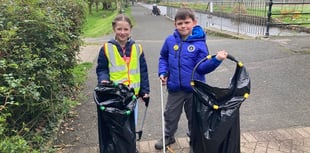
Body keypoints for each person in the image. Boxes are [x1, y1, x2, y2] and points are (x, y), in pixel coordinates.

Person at [155, 8, 228, 150]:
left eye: (187, 22)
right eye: (180, 23)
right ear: (175, 24)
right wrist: (163, 71)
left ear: (194, 22)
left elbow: (202, 67)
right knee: (170, 114)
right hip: (175, 88)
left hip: (194, 89)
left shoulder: (200, 44)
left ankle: (194, 137)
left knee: (194, 116)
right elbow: (163, 57)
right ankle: (168, 136)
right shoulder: (170, 41)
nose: (183, 26)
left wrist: (216, 60)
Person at [96, 14, 150, 153]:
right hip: (115, 95)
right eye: (119, 29)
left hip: (132, 95)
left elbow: (143, 70)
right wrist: (103, 79)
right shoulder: (106, 48)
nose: (122, 32)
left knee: (131, 123)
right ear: (114, 29)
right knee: (115, 125)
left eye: (125, 29)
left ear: (130, 29)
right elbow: (102, 68)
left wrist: (145, 90)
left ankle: (129, 147)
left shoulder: (138, 48)